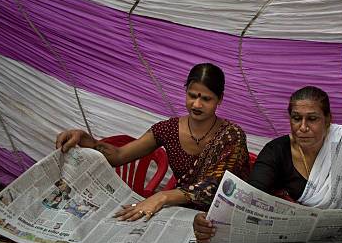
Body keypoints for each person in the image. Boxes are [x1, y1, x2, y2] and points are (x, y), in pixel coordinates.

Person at [194, 86, 342, 243]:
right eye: (296, 118)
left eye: (312, 119)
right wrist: (210, 221)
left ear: (328, 120)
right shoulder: (276, 151)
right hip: (296, 240)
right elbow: (253, 196)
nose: (302, 127)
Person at [56, 63, 250, 220]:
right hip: (180, 214)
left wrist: (162, 196)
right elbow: (119, 156)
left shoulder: (232, 136)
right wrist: (85, 139)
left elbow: (216, 187)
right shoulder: (168, 129)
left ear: (220, 99)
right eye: (192, 96)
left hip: (221, 217)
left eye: (206, 99)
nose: (197, 104)